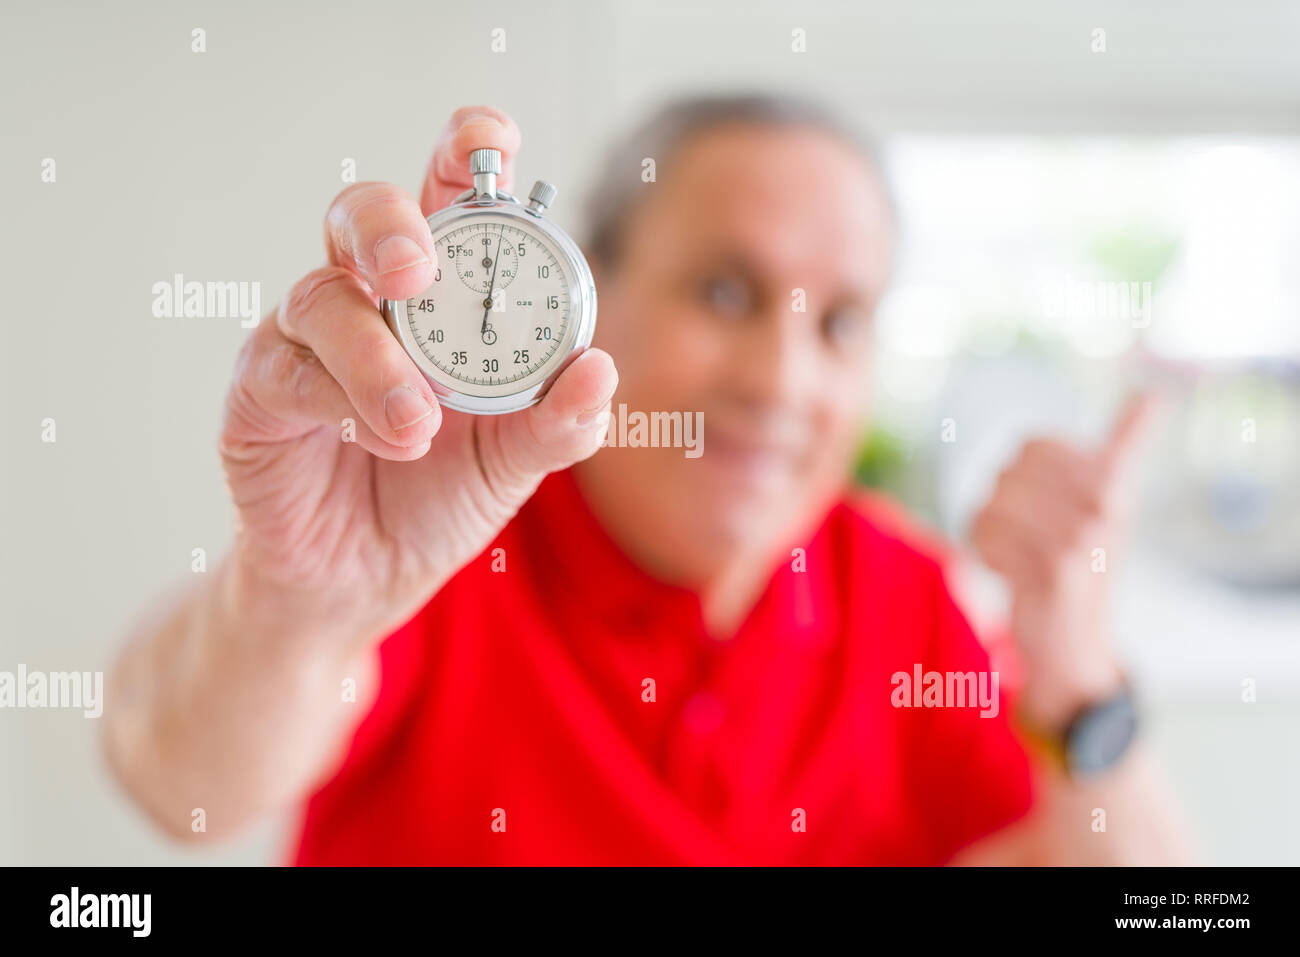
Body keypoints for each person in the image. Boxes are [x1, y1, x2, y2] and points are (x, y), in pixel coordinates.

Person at [102, 95, 1187, 865]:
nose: (780, 378)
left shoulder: (901, 597)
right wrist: (304, 605)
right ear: (585, 297)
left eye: (841, 322)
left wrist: (1079, 680)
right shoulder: (432, 530)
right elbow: (175, 787)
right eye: (723, 291)